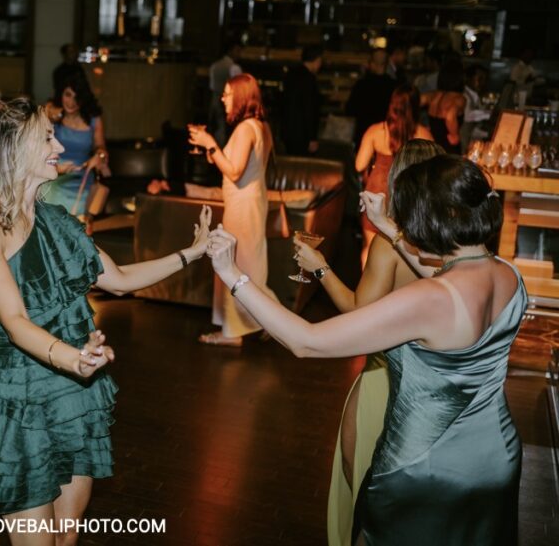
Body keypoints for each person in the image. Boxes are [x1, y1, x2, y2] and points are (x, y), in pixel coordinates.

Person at [209, 154, 525, 545]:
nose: (408, 229)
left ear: (434, 222)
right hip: (496, 457)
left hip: (427, 468)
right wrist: (386, 226)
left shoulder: (430, 298)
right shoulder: (508, 275)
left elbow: (306, 341)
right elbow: (443, 271)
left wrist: (233, 275)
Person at [0, 98, 217, 543]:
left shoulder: (58, 221)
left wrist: (191, 253)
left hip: (73, 395)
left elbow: (120, 280)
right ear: (15, 148)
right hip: (20, 399)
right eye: (47, 138)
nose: (59, 146)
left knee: (67, 535)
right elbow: (15, 321)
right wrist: (72, 358)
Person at [291, 139, 445, 546]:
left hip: (385, 376)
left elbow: (358, 313)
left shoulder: (389, 245)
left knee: (359, 477)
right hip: (433, 384)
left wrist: (320, 268)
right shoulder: (448, 244)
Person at [188, 73, 278, 347]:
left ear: (241, 97)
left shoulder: (245, 128)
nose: (223, 98)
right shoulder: (260, 125)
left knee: (232, 264)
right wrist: (212, 151)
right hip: (252, 202)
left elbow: (235, 171)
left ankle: (233, 333)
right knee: (250, 265)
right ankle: (270, 319)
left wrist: (210, 144)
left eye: (227, 94)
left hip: (242, 206)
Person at [354, 86, 434, 266]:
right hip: (406, 196)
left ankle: (368, 283)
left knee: (371, 249)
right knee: (405, 250)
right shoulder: (423, 134)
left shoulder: (375, 131)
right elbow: (432, 169)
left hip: (377, 193)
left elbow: (359, 164)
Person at [40, 75, 110, 218]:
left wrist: (100, 155)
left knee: (82, 222)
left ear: (83, 99)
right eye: (68, 95)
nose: (71, 102)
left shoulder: (93, 119)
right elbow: (37, 147)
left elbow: (100, 146)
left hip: (82, 179)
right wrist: (47, 114)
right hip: (54, 176)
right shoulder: (51, 113)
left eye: (77, 97)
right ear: (61, 94)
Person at [344, 49, 396, 148]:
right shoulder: (394, 87)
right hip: (386, 135)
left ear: (372, 64)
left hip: (364, 134)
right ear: (386, 64)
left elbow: (350, 110)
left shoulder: (361, 85)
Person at [280, 44, 323, 155]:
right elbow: (310, 109)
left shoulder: (290, 75)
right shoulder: (309, 79)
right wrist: (312, 137)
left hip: (287, 131)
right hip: (303, 134)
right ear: (317, 60)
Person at [421, 56, 466, 154]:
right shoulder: (459, 98)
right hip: (448, 147)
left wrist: (420, 127)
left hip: (432, 146)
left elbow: (411, 102)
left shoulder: (432, 95)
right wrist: (454, 135)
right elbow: (450, 116)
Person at [206, 36, 244, 143]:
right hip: (227, 102)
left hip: (214, 100)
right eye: (237, 51)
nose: (239, 54)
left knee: (215, 129)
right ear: (230, 50)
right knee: (224, 130)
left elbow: (212, 86)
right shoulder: (234, 68)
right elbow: (238, 89)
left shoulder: (214, 66)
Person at [461, 64, 493, 151]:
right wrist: (490, 114)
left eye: (485, 80)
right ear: (468, 78)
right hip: (462, 144)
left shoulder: (474, 95)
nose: (483, 83)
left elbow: (472, 129)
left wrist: (486, 134)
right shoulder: (464, 95)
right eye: (480, 78)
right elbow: (468, 116)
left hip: (469, 141)